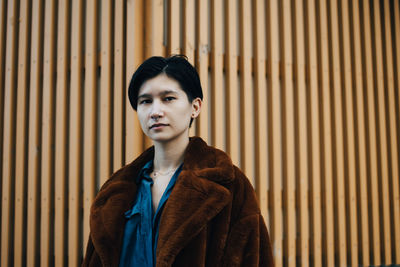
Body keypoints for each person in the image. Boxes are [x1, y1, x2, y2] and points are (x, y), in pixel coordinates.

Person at [82, 55, 274, 267]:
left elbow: (252, 258)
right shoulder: (115, 190)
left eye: (168, 98)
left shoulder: (228, 184)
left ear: (195, 107)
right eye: (145, 101)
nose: (155, 112)